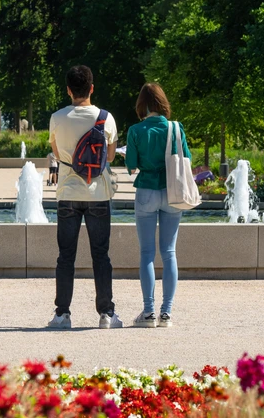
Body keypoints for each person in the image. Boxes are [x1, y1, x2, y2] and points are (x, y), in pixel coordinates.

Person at [46, 65, 122, 330]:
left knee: (65, 256)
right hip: (97, 193)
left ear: (68, 90)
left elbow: (56, 154)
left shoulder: (57, 118)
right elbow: (110, 157)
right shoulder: (106, 117)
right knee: (101, 255)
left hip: (67, 193)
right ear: (91, 88)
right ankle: (106, 314)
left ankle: (62, 314)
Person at [124, 83, 190, 328]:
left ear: (142, 104)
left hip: (147, 192)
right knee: (169, 252)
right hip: (173, 192)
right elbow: (186, 159)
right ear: (162, 102)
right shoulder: (175, 128)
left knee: (147, 254)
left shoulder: (136, 130)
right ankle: (167, 313)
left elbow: (131, 165)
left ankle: (149, 312)